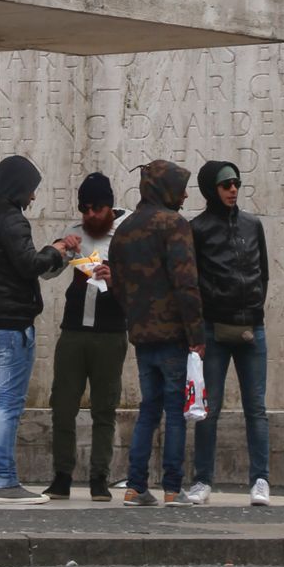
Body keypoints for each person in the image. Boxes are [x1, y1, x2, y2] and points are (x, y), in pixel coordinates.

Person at [0, 156, 80, 501]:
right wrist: (57, 249)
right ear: (18, 187)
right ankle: (5, 481)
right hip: (13, 326)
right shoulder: (11, 220)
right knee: (9, 406)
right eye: (31, 190)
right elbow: (29, 265)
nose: (32, 198)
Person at [109, 161, 204, 506]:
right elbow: (186, 283)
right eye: (180, 188)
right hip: (173, 334)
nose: (184, 195)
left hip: (141, 333)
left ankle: (135, 487)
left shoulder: (124, 228)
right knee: (176, 411)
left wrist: (136, 317)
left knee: (149, 409)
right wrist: (197, 334)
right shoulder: (174, 225)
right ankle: (172, 488)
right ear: (166, 190)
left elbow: (117, 285)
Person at [190, 159, 272, 507]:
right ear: (212, 188)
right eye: (226, 184)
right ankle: (202, 480)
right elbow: (193, 279)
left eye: (236, 182)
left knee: (256, 408)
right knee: (209, 409)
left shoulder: (253, 225)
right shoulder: (198, 228)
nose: (233, 189)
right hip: (213, 327)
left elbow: (262, 272)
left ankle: (260, 479)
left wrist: (253, 308)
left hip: (251, 327)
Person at [45, 173, 129, 503]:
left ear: (109, 207)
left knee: (104, 409)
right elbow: (47, 272)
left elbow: (142, 285)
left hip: (110, 335)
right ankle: (62, 475)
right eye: (85, 208)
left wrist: (117, 277)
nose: (91, 214)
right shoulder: (74, 234)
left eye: (97, 207)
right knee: (62, 406)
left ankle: (99, 478)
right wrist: (60, 249)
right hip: (74, 333)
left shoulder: (124, 239)